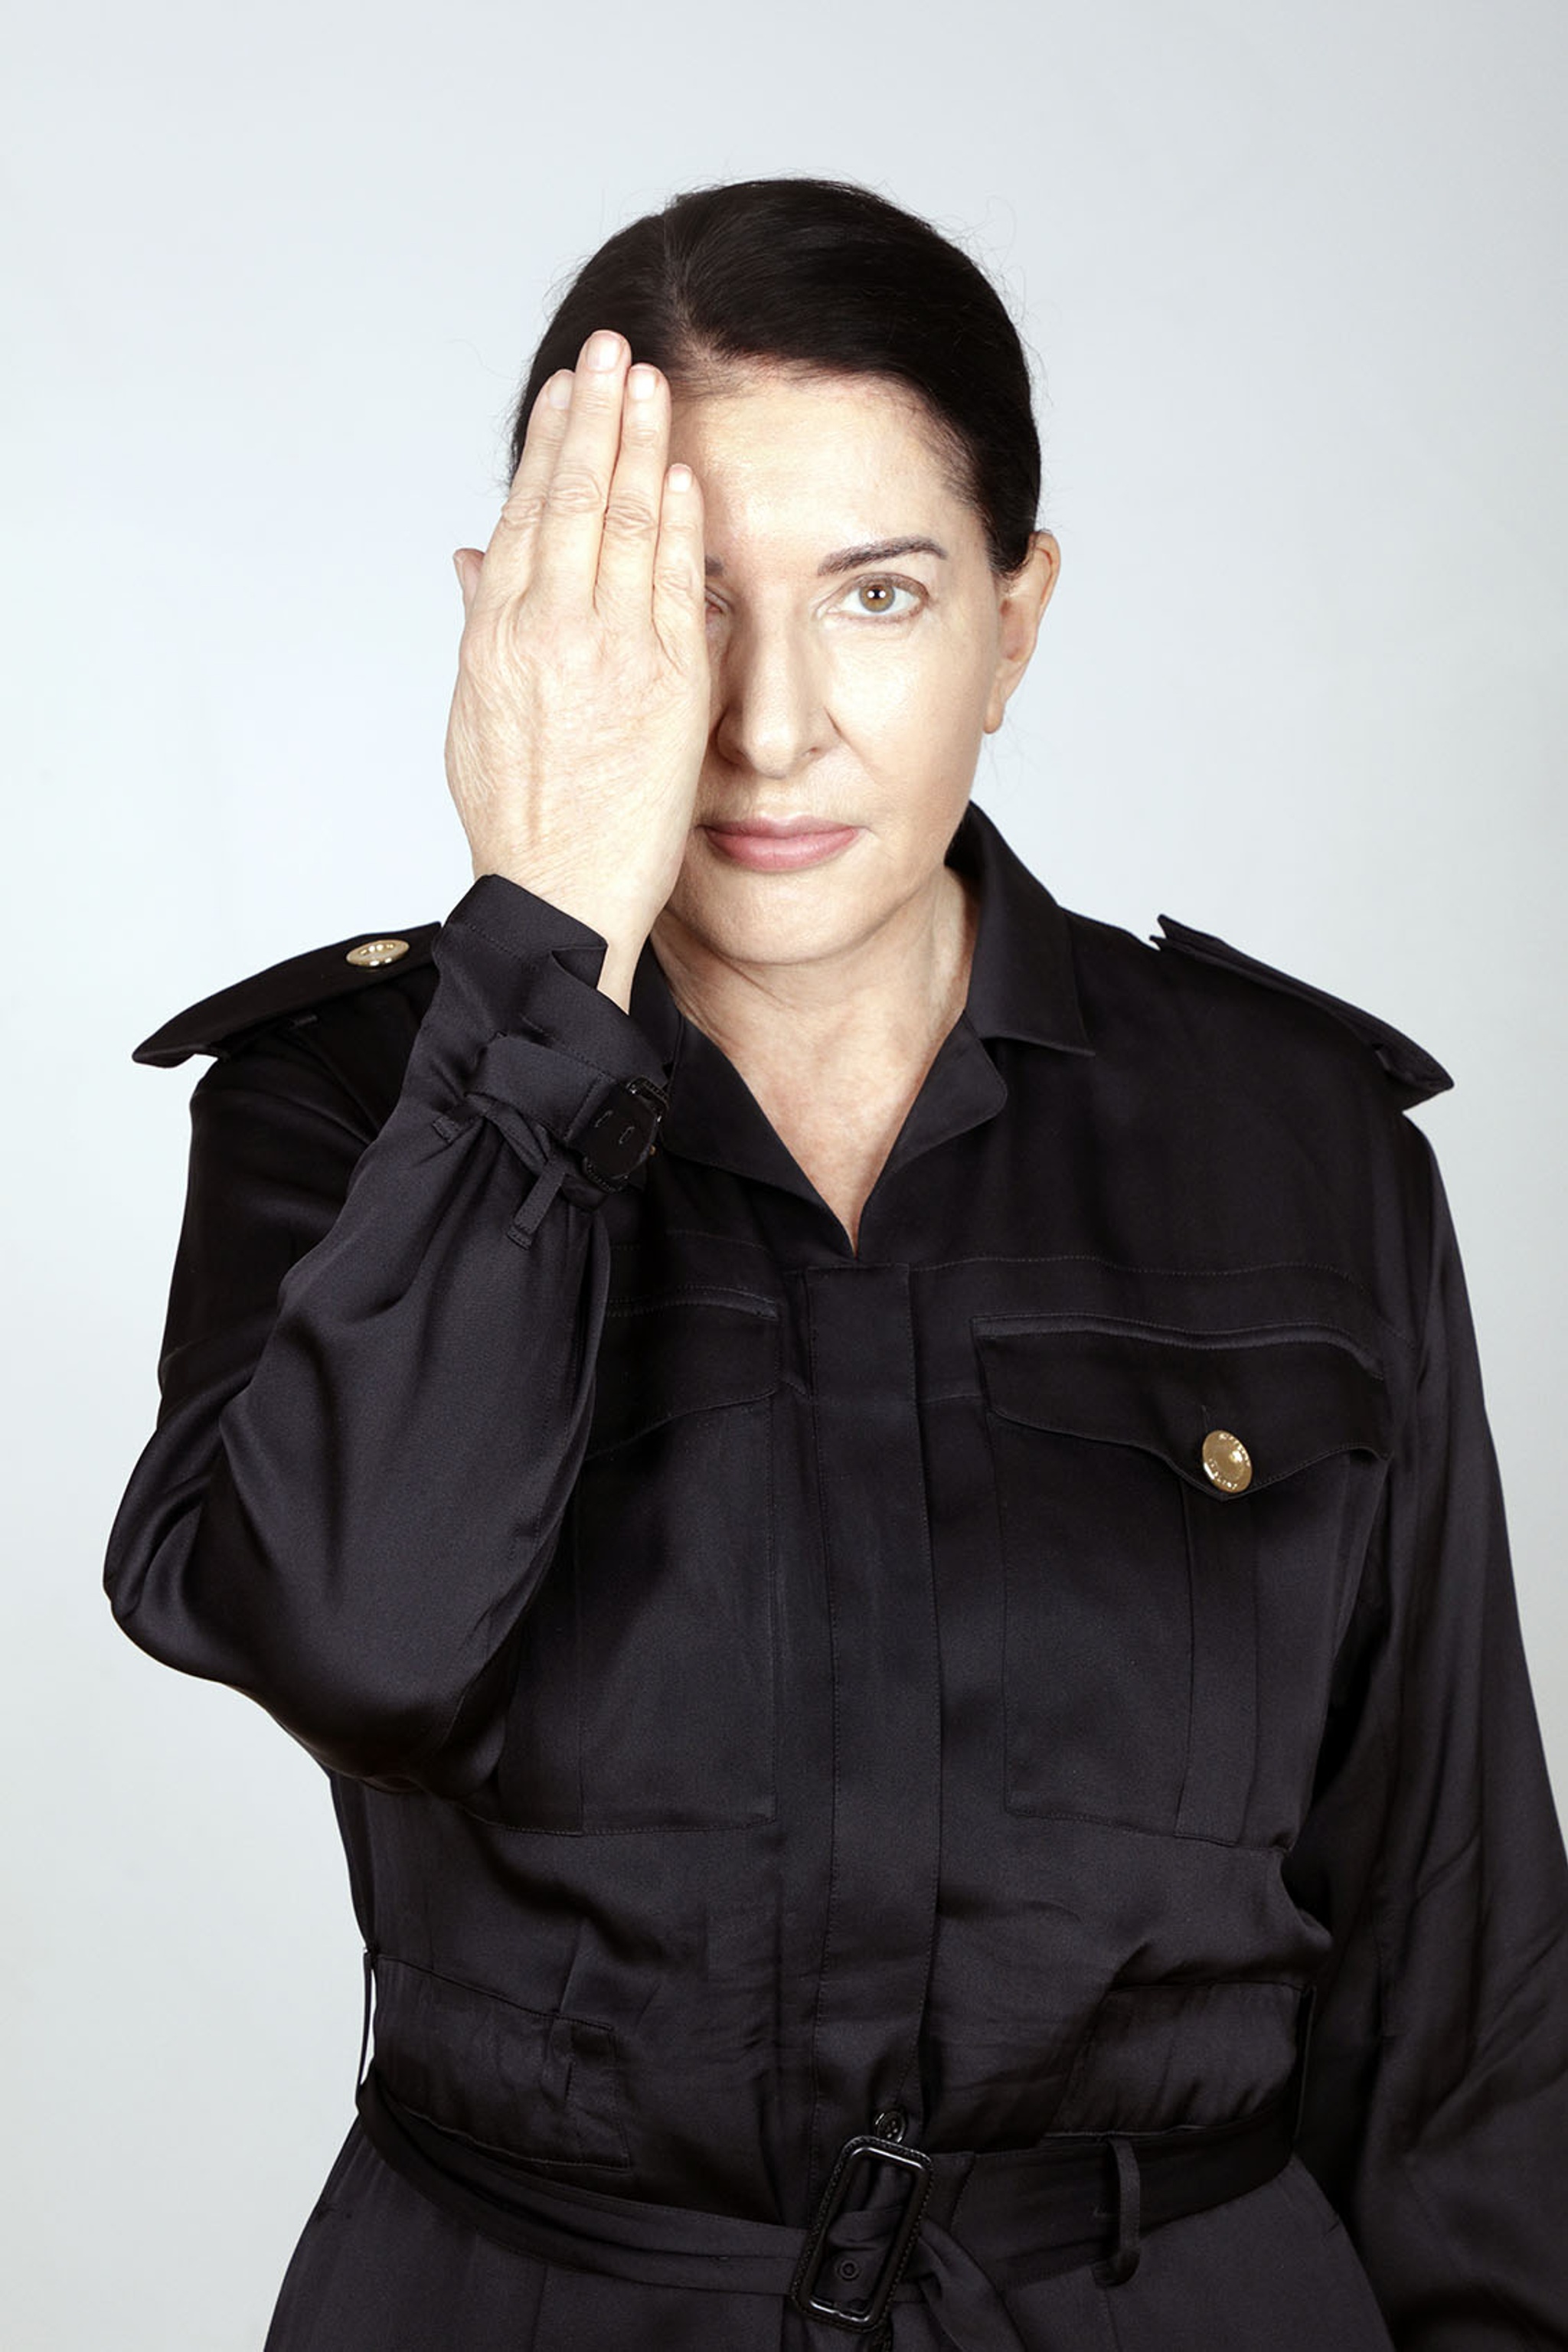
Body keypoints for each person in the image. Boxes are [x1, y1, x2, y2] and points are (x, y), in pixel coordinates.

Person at [104, 175, 1568, 2352]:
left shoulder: (1302, 1148)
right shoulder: (346, 1109)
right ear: (528, 630)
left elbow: (1458, 1976)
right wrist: (539, 951)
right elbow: (355, 1641)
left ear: (1018, 613)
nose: (770, 724)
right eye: (680, 608)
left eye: (878, 594)